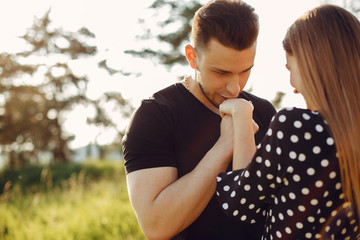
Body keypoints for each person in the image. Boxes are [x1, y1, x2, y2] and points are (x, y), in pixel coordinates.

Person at [122, 0, 276, 239]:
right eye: (221, 72)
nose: (235, 87)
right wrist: (226, 144)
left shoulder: (264, 111)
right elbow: (157, 226)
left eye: (245, 70)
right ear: (192, 57)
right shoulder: (155, 115)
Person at [216, 4, 360, 240]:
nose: (292, 86)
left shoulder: (298, 126)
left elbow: (241, 204)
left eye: (290, 68)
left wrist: (242, 116)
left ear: (311, 64)